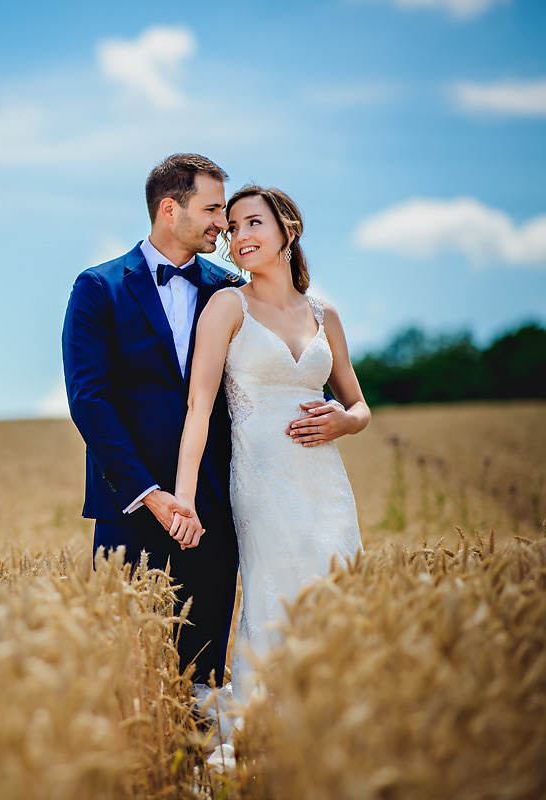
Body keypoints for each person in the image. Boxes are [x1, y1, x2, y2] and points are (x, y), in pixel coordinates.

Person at [171, 185, 368, 703]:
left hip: (325, 480)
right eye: (232, 228)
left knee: (336, 588)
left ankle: (335, 712)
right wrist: (183, 498)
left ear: (288, 229)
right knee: (277, 591)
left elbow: (360, 406)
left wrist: (342, 423)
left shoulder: (325, 315)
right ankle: (269, 720)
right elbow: (199, 409)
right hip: (262, 478)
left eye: (253, 223)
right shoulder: (226, 305)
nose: (239, 236)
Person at [62, 153, 242, 690]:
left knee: (205, 668)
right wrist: (152, 494)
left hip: (215, 506)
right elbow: (89, 400)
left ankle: (204, 772)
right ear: (170, 208)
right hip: (130, 509)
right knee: (127, 670)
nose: (224, 223)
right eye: (212, 209)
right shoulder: (99, 288)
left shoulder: (231, 289)